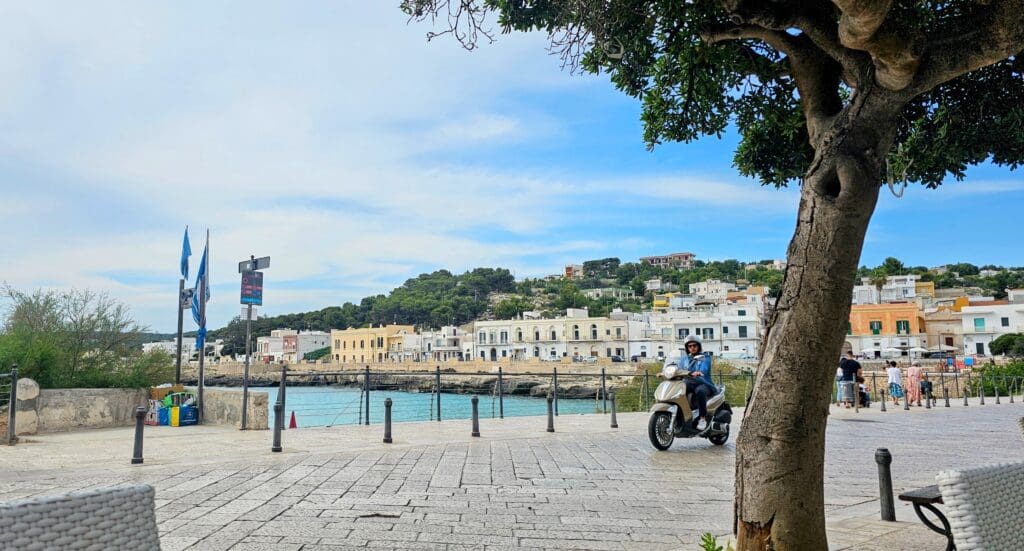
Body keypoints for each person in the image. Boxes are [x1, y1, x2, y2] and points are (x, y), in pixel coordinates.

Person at [680, 335, 717, 432]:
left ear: (699, 346)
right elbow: (678, 368)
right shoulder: (684, 359)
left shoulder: (705, 357)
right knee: (678, 390)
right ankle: (683, 415)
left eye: (694, 345)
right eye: (690, 346)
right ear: (687, 348)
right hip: (689, 382)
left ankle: (702, 418)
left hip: (703, 383)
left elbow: (704, 368)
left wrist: (700, 372)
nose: (692, 348)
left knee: (700, 391)